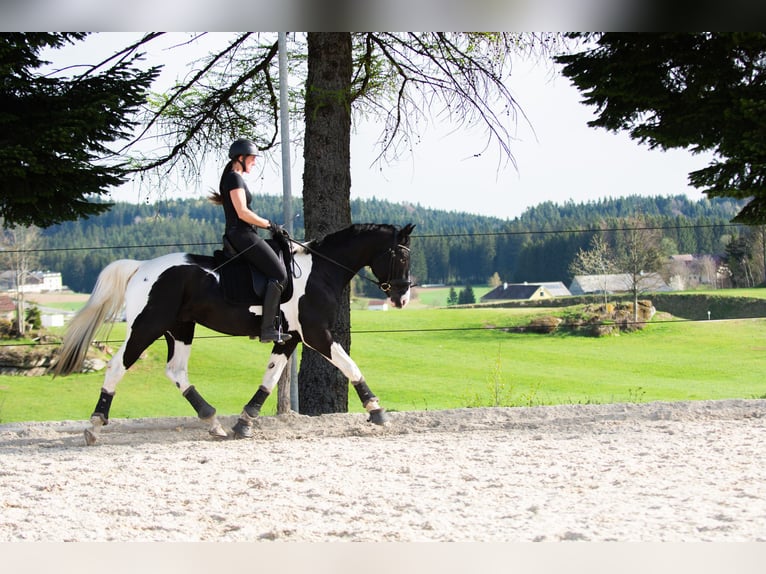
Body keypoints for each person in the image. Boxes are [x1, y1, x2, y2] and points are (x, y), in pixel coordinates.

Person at [209, 138, 291, 344]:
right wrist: (270, 225)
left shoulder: (233, 178)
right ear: (241, 158)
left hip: (243, 233)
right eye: (252, 158)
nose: (254, 162)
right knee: (279, 274)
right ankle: (267, 328)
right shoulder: (234, 179)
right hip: (242, 234)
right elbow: (243, 212)